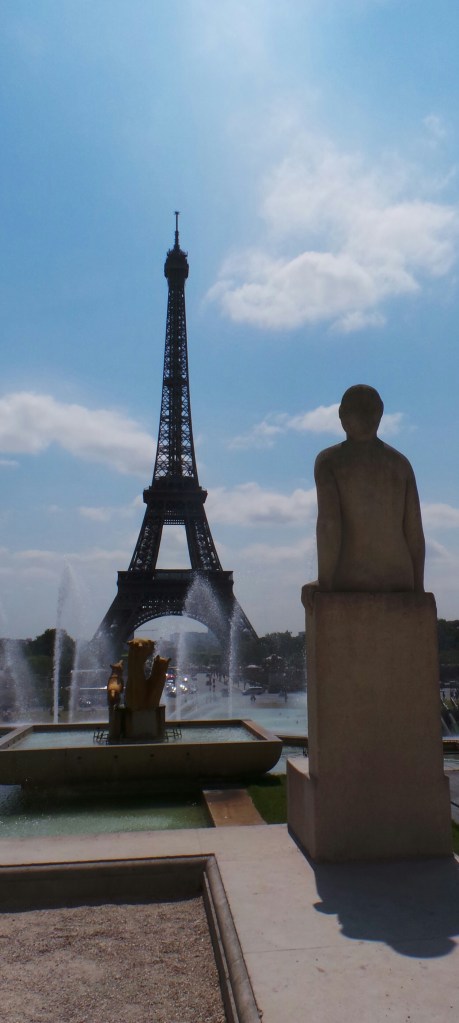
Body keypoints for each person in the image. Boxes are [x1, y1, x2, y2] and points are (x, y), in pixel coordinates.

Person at [303, 385, 425, 609]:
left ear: (342, 416)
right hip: (401, 578)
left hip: (351, 576)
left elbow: (330, 525)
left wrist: (324, 583)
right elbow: (415, 533)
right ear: (380, 413)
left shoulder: (329, 461)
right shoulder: (401, 464)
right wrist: (418, 588)